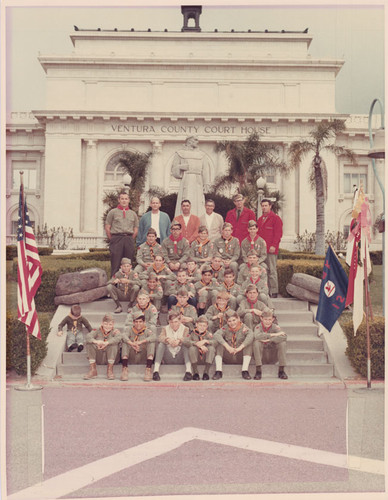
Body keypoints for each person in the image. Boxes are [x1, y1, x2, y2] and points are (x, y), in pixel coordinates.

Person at [172, 135, 211, 218]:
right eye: (195, 140)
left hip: (198, 182)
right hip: (187, 179)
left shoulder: (202, 155)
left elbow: (205, 171)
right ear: (189, 141)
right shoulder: (180, 153)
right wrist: (180, 167)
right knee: (186, 198)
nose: (198, 142)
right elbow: (174, 169)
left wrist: (206, 184)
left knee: (198, 202)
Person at [212, 310, 254, 380]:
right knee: (219, 343)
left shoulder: (244, 327)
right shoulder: (225, 328)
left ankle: (245, 370)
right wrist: (227, 347)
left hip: (239, 356)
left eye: (234, 320)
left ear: (238, 319)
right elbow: (216, 335)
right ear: (227, 322)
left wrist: (240, 348)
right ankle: (218, 371)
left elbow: (251, 335)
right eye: (229, 321)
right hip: (229, 356)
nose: (232, 323)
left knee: (248, 344)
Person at [105, 191, 139, 276]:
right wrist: (112, 239)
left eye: (126, 199)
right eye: (122, 199)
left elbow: (135, 229)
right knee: (115, 263)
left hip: (128, 239)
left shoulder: (133, 214)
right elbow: (107, 227)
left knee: (128, 263)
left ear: (129, 200)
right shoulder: (112, 212)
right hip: (116, 239)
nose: (124, 201)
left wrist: (130, 238)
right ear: (119, 200)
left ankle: (128, 283)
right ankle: (114, 284)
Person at [153, 312, 192, 381]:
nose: (174, 324)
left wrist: (179, 341)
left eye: (176, 322)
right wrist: (167, 339)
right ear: (169, 322)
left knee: (186, 345)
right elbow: (160, 337)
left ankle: (188, 371)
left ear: (180, 321)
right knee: (161, 345)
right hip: (169, 356)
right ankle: (156, 371)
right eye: (171, 322)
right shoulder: (165, 328)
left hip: (180, 356)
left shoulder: (185, 329)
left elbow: (188, 340)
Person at [257, 198, 283, 298]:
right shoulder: (260, 220)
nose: (264, 207)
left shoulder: (276, 219)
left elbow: (278, 234)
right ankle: (265, 290)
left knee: (272, 270)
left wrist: (274, 245)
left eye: (266, 205)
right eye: (262, 206)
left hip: (271, 249)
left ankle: (274, 291)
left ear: (270, 206)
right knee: (263, 270)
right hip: (261, 250)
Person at [252, 308, 288, 380]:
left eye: (269, 319)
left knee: (282, 343)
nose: (268, 322)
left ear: (273, 319)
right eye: (265, 319)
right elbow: (257, 336)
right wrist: (273, 335)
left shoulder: (275, 327)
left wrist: (269, 340)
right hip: (262, 356)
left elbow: (284, 336)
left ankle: (281, 370)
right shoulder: (258, 327)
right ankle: (258, 369)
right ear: (261, 318)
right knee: (256, 343)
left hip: (272, 354)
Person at [83, 314, 121, 380]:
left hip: (112, 358)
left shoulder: (115, 331)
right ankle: (93, 370)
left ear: (113, 325)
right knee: (90, 343)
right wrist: (96, 342)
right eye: (105, 324)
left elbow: (119, 338)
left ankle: (110, 370)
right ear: (102, 323)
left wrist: (107, 343)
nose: (107, 326)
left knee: (113, 344)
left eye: (110, 324)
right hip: (99, 357)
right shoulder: (97, 330)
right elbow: (88, 337)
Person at [120, 313, 156, 382]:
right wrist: (132, 344)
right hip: (132, 356)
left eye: (140, 322)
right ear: (133, 322)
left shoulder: (147, 331)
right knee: (125, 342)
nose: (138, 324)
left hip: (143, 356)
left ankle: (148, 369)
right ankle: (124, 369)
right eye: (136, 322)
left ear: (144, 322)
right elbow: (123, 336)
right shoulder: (130, 330)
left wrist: (141, 342)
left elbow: (153, 337)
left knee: (151, 342)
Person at [183, 316, 215, 380]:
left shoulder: (208, 334)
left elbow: (215, 341)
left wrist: (205, 341)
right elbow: (185, 341)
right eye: (200, 325)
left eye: (204, 326)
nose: (202, 327)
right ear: (196, 324)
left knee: (211, 348)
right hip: (195, 358)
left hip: (205, 358)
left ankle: (206, 372)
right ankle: (195, 372)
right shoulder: (191, 333)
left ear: (207, 326)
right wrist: (197, 344)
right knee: (192, 348)